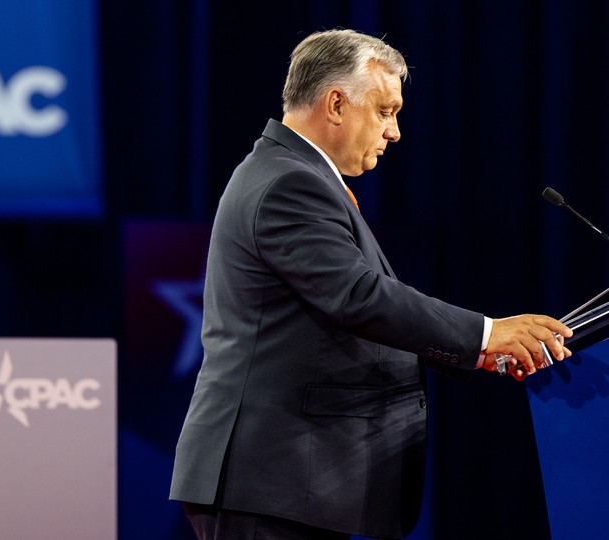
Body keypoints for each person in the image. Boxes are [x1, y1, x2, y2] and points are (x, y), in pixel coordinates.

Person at [168, 28, 573, 539]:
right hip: (269, 481)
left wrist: (473, 353)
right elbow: (356, 297)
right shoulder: (287, 182)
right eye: (385, 110)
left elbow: (337, 319)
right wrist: (487, 334)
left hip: (287, 484)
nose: (395, 131)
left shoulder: (290, 174)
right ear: (336, 103)